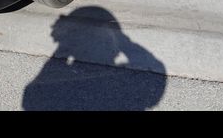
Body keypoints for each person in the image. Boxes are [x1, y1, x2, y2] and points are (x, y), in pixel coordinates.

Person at [22, 6, 166, 110]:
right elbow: (156, 68)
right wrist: (124, 41)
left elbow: (41, 84)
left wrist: (63, 47)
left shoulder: (32, 100)